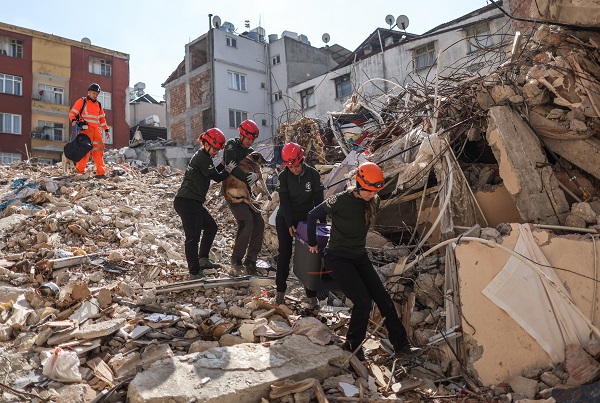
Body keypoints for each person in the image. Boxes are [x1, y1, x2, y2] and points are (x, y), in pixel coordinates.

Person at [306, 162, 419, 360]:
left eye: (374, 191)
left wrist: (372, 196)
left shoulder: (373, 201)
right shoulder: (340, 200)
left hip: (359, 256)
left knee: (383, 299)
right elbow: (312, 215)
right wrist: (313, 243)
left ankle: (402, 346)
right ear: (359, 184)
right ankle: (352, 347)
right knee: (363, 301)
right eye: (367, 191)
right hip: (338, 257)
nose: (370, 195)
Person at [174, 128, 236, 278]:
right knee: (192, 237)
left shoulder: (204, 157)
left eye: (218, 150)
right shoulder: (202, 157)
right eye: (215, 148)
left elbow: (211, 172)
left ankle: (202, 259)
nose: (216, 152)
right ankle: (194, 271)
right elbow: (217, 177)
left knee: (211, 227)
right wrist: (228, 169)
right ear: (207, 144)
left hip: (194, 201)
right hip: (187, 201)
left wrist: (222, 164)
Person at [275, 142, 324, 307]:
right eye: (291, 167)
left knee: (310, 254)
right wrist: (290, 224)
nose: (295, 169)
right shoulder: (283, 177)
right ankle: (280, 291)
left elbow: (319, 202)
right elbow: (285, 202)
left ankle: (311, 294)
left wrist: (322, 225)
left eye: (296, 165)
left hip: (307, 218)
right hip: (286, 218)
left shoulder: (313, 175)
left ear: (302, 160)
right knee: (285, 252)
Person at [223, 119, 265, 274]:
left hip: (248, 193)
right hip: (233, 191)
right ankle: (236, 259)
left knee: (259, 222)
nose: (250, 142)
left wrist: (256, 175)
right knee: (246, 221)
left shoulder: (251, 151)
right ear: (241, 135)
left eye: (252, 140)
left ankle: (251, 260)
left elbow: (259, 171)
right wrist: (245, 176)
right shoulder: (231, 146)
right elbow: (230, 165)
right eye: (248, 139)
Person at [69, 83, 110, 178]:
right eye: (93, 93)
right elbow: (72, 113)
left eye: (96, 94)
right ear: (89, 92)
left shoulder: (99, 105)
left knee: (98, 152)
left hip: (96, 131)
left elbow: (102, 119)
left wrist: (106, 130)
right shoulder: (82, 101)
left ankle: (101, 173)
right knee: (84, 152)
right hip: (86, 130)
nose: (95, 95)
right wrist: (74, 120)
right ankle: (80, 171)